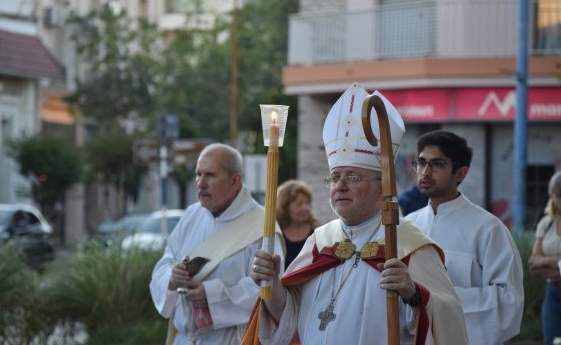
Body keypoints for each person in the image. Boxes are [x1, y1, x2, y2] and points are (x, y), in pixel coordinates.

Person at [243, 83, 467, 345]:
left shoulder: (409, 245)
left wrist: (413, 293)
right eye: (335, 177)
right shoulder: (320, 242)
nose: (340, 186)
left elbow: (449, 317)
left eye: (353, 177)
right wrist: (273, 286)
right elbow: (289, 322)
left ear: (382, 185)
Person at [149, 143, 284, 345]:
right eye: (198, 174)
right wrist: (172, 277)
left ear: (235, 181)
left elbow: (268, 291)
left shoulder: (262, 226)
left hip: (231, 339)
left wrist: (213, 296)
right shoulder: (191, 215)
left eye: (210, 175)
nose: (200, 183)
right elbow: (165, 263)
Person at [405, 130, 524, 345]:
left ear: (461, 173)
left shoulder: (488, 228)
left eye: (438, 164)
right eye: (421, 163)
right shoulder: (408, 226)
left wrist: (435, 299)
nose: (425, 171)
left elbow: (508, 301)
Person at [529, 171, 561, 345]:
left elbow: (540, 261)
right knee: (552, 341)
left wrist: (547, 260)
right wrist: (559, 264)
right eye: (559, 195)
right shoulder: (546, 223)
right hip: (553, 293)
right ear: (552, 195)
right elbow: (533, 266)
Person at [276, 180, 319, 269]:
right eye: (299, 204)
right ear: (285, 206)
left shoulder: (318, 232)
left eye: (307, 203)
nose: (306, 208)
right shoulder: (276, 233)